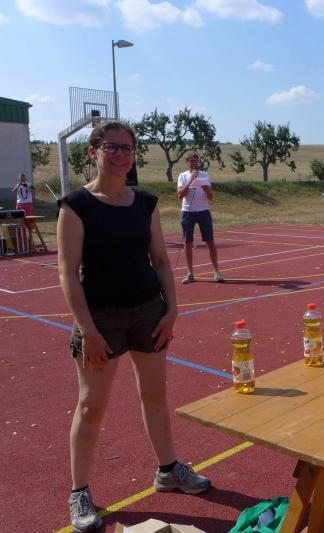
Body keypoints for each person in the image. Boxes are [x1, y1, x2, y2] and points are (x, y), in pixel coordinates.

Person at [57, 122, 210, 533]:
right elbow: (68, 273)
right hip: (100, 319)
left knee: (155, 395)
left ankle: (168, 470)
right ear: (94, 151)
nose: (121, 155)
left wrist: (172, 310)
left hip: (148, 313)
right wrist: (87, 330)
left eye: (128, 148)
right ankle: (79, 492)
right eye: (112, 147)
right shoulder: (76, 205)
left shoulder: (145, 202)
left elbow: (160, 260)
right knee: (91, 406)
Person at [177, 153, 223, 284]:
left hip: (203, 211)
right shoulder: (182, 176)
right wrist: (191, 180)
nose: (193, 163)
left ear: (198, 162)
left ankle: (216, 272)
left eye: (195, 161)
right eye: (191, 161)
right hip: (188, 212)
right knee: (188, 242)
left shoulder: (204, 175)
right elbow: (180, 195)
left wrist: (206, 189)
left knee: (210, 241)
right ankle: (190, 273)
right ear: (187, 162)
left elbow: (211, 197)